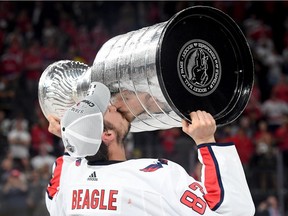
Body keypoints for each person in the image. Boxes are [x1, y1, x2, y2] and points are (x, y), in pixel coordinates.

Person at [45, 82, 255, 216]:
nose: (111, 105)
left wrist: (73, 132)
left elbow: (71, 160)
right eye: (104, 110)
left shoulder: (66, 178)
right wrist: (206, 140)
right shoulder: (157, 178)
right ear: (107, 135)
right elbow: (235, 212)